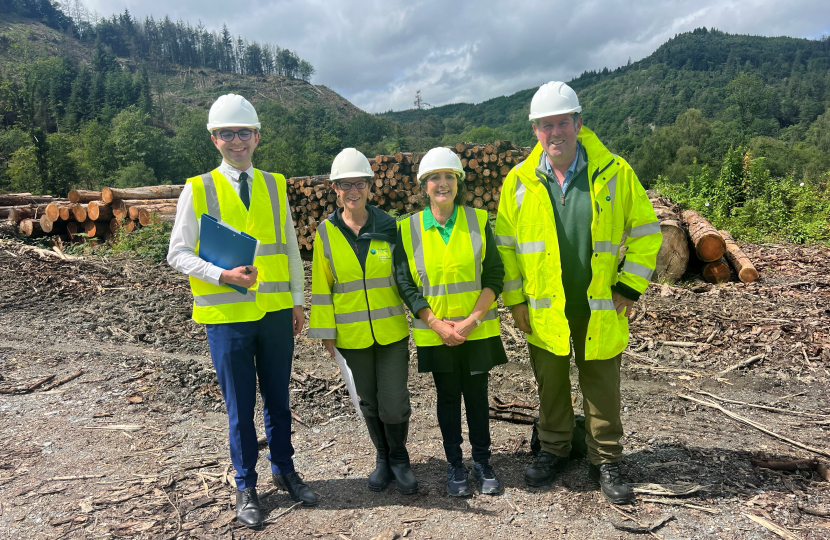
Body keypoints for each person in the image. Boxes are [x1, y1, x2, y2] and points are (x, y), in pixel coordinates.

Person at [494, 81, 662, 504]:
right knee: (549, 384)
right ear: (535, 130)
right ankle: (554, 448)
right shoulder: (517, 183)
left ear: (578, 122)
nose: (555, 132)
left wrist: (629, 285)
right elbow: (506, 250)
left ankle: (605, 458)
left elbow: (646, 232)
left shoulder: (614, 173)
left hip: (599, 304)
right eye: (546, 125)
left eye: (562, 122)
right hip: (544, 307)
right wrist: (514, 301)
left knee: (602, 383)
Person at [167, 93, 317, 528]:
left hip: (273, 312)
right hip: (226, 316)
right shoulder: (197, 189)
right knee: (240, 406)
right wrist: (222, 275)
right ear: (214, 139)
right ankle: (245, 485)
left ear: (257, 136)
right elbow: (177, 254)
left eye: (244, 132)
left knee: (278, 399)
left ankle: (285, 470)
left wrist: (296, 300)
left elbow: (289, 246)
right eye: (228, 133)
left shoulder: (275, 183)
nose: (237, 141)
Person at [394, 147, 507, 497]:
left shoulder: (478, 220)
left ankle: (483, 463)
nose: (442, 183)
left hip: (477, 330)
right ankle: (455, 466)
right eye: (434, 178)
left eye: (448, 177)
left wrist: (472, 320)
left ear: (458, 182)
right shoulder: (407, 228)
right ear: (423, 185)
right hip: (436, 334)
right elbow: (405, 284)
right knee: (447, 399)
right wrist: (435, 323)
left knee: (476, 397)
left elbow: (494, 274)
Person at [307, 148, 417, 495]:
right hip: (350, 337)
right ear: (334, 188)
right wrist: (326, 334)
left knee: (394, 402)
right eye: (344, 185)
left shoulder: (388, 226)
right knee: (367, 401)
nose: (352, 191)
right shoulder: (325, 233)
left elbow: (404, 277)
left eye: (359, 184)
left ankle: (400, 459)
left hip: (391, 333)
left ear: (370, 186)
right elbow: (322, 287)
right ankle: (382, 459)